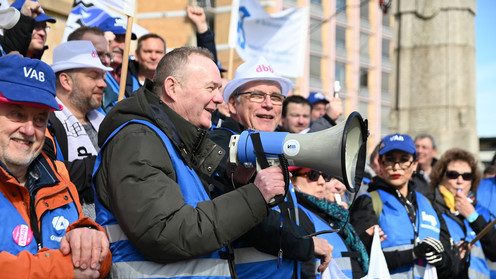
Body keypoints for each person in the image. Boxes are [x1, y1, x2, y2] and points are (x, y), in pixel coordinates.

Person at [93, 46, 286, 278]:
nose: (218, 98)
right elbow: (165, 232)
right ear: (172, 88)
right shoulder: (138, 139)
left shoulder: (171, 139)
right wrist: (255, 196)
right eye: (211, 88)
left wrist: (232, 183)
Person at [209, 56, 333, 278]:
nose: (268, 104)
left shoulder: (276, 150)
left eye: (276, 97)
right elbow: (250, 220)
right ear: (232, 104)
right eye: (257, 95)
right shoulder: (222, 143)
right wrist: (306, 244)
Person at [0, 54, 111, 278]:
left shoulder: (57, 177)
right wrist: (62, 269)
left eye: (40, 119)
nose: (29, 130)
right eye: (17, 114)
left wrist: (91, 236)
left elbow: (99, 263)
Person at [350, 133, 457, 278]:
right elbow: (360, 259)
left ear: (414, 165)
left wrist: (442, 261)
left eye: (404, 160)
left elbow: (452, 262)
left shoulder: (428, 203)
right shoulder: (368, 202)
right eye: (390, 160)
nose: (396, 167)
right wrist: (413, 254)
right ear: (380, 164)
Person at [43, 40, 112, 220]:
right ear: (66, 81)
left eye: (103, 76)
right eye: (93, 76)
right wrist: (110, 163)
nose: (103, 84)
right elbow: (49, 174)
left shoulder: (106, 120)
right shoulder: (45, 121)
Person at [290, 167, 372, 278]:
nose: (322, 182)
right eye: (313, 175)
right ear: (291, 179)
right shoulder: (296, 215)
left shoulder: (328, 213)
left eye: (324, 176)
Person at [429, 148, 496, 278]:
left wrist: (473, 217)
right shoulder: (431, 208)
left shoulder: (481, 211)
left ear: (472, 181)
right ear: (441, 177)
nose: (460, 181)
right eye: (453, 174)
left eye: (466, 176)